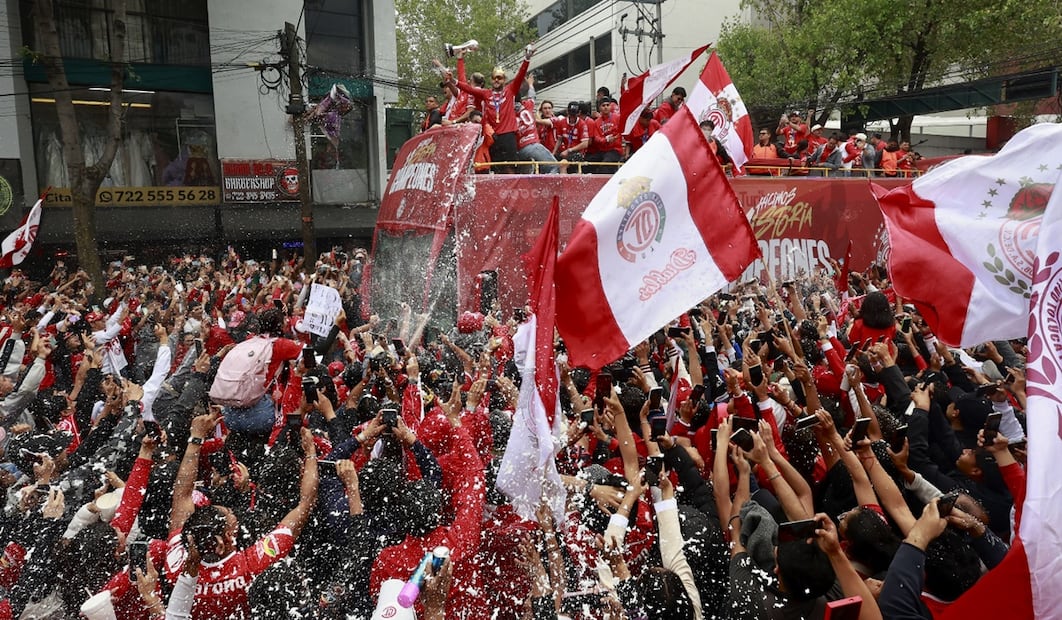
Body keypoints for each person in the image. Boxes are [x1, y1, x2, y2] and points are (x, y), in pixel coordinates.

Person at [448, 45, 537, 174]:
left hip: (508, 135)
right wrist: (452, 80)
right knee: (496, 168)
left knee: (510, 167)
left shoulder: (510, 90)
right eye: (494, 78)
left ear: (504, 80)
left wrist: (527, 58)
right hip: (493, 136)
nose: (496, 80)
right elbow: (468, 88)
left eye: (499, 78)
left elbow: (520, 74)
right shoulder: (486, 94)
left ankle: (511, 191)